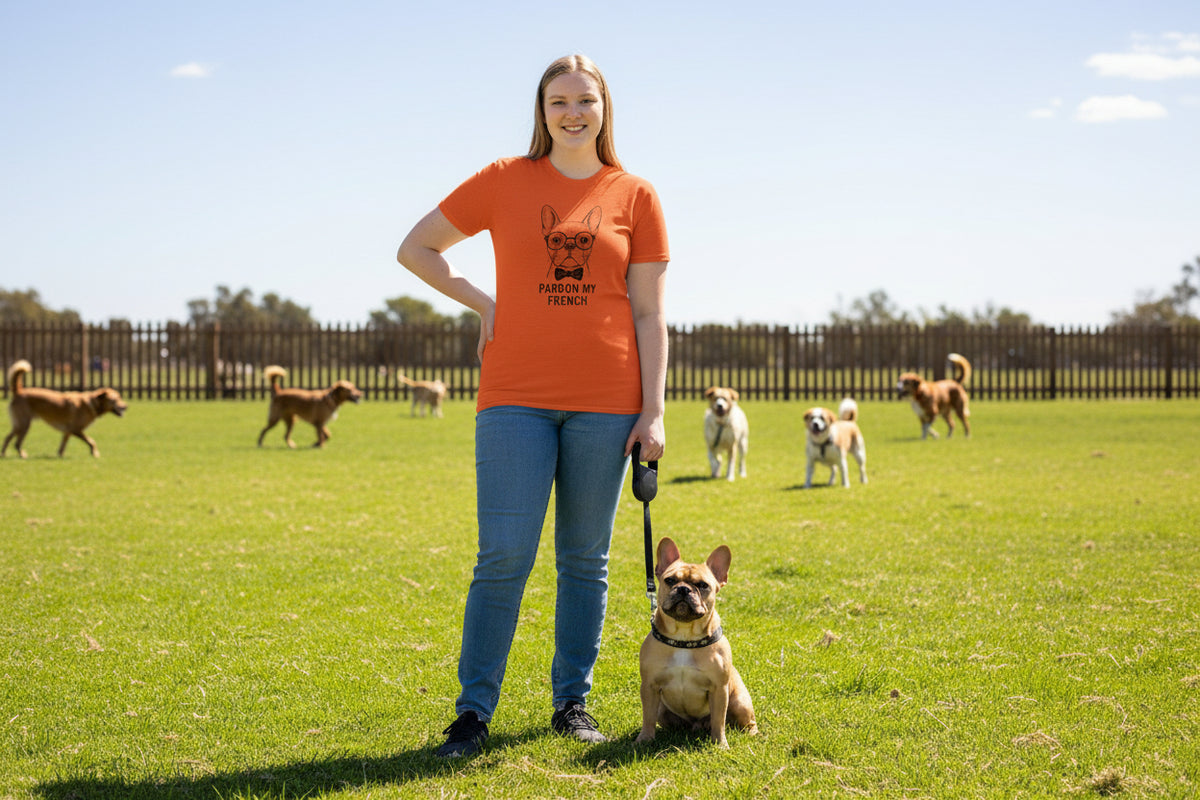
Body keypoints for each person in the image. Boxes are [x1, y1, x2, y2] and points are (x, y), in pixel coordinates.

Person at [396, 54, 669, 758]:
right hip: (513, 398)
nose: (572, 112)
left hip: (608, 403)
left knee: (586, 559)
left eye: (585, 100)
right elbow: (416, 248)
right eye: (558, 102)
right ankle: (471, 714)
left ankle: (571, 704)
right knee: (504, 556)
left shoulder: (636, 194)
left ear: (605, 109)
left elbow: (648, 314)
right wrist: (484, 301)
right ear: (541, 112)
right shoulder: (503, 181)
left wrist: (654, 410)